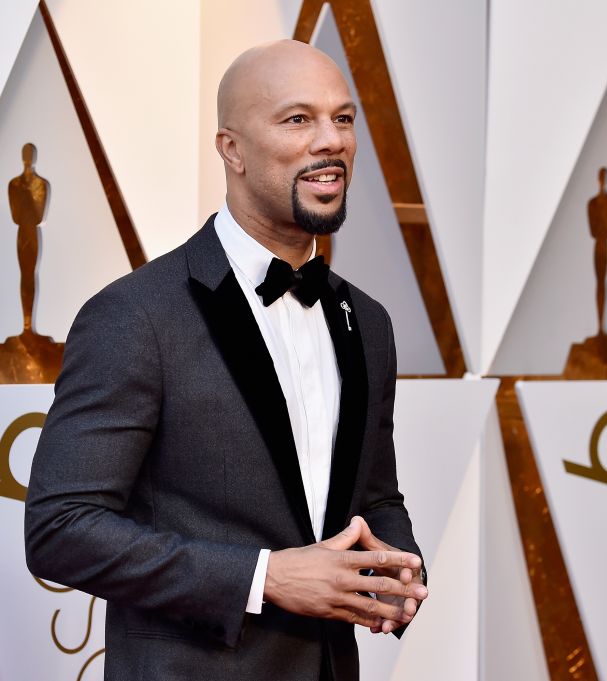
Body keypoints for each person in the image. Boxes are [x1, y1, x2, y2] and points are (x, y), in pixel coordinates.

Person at [25, 39, 427, 681]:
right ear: (231, 149)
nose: (331, 141)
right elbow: (61, 529)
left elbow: (374, 496)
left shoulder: (368, 322)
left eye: (343, 118)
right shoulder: (137, 315)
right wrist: (265, 577)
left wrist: (397, 565)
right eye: (298, 119)